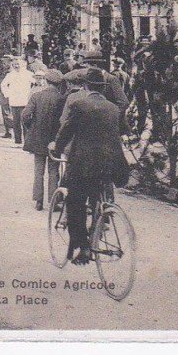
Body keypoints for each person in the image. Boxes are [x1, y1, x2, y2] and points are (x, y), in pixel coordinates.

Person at [50, 68, 130, 265]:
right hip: (110, 164)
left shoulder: (79, 104)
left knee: (75, 203)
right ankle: (100, 224)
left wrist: (56, 147)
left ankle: (84, 247)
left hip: (84, 165)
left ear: (85, 86)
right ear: (102, 88)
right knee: (98, 199)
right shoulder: (113, 108)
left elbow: (66, 131)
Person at [22, 69, 66, 210]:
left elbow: (25, 115)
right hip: (55, 139)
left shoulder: (36, 96)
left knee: (38, 170)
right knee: (54, 171)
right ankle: (53, 201)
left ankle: (39, 201)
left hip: (38, 138)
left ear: (46, 81)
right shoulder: (62, 99)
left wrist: (31, 128)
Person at [0, 57, 34, 145]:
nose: (16, 66)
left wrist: (31, 94)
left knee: (25, 121)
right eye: (14, 64)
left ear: (22, 64)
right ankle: (17, 141)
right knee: (16, 122)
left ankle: (27, 141)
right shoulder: (10, 75)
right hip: (14, 101)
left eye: (18, 64)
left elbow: (35, 83)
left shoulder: (28, 74)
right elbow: (3, 85)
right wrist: (7, 94)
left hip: (25, 100)